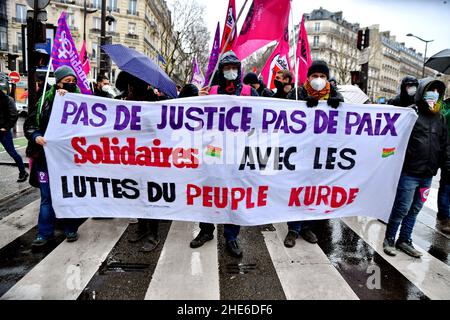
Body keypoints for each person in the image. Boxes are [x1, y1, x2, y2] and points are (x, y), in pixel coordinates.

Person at [196, 51, 258, 258]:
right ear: (221, 71)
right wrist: (198, 101)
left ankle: (231, 236)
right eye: (226, 68)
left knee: (234, 191)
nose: (230, 71)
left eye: (234, 68)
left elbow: (263, 117)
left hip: (239, 150)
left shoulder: (249, 91)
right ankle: (206, 230)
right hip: (214, 149)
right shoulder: (211, 91)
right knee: (209, 187)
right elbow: (197, 118)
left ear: (238, 70)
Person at [383, 78, 448, 258]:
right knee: (402, 207)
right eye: (430, 89)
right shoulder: (412, 113)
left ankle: (405, 240)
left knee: (415, 209)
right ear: (422, 91)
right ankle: (389, 239)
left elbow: (444, 146)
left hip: (427, 175)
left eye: (437, 90)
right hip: (410, 172)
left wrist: (446, 167)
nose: (433, 93)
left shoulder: (440, 117)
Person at [284, 60, 344, 248]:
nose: (318, 79)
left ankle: (307, 227)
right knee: (297, 191)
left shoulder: (335, 95)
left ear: (327, 78)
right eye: (315, 76)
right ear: (308, 77)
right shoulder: (296, 94)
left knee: (314, 192)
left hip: (322, 154)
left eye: (322, 76)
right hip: (299, 153)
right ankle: (293, 229)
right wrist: (301, 105)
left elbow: (345, 124)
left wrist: (339, 105)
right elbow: (283, 117)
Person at [24, 65, 82, 248]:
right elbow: (31, 124)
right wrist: (35, 136)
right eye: (67, 81)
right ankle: (44, 233)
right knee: (47, 196)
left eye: (73, 82)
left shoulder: (81, 101)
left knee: (68, 193)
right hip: (45, 158)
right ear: (57, 83)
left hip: (69, 159)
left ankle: (70, 228)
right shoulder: (44, 101)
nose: (70, 84)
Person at [121, 72, 161, 252]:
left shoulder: (155, 101)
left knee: (151, 195)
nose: (130, 86)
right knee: (137, 193)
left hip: (152, 157)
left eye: (133, 83)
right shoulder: (126, 100)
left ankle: (153, 234)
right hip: (133, 156)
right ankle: (142, 228)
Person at [0, 89, 29, 182]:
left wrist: (6, 127)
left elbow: (14, 115)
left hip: (3, 131)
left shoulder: (8, 99)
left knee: (12, 153)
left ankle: (23, 172)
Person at [436, 97, 450, 235]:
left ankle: (443, 215)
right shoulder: (444, 105)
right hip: (445, 149)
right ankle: (445, 217)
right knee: (446, 185)